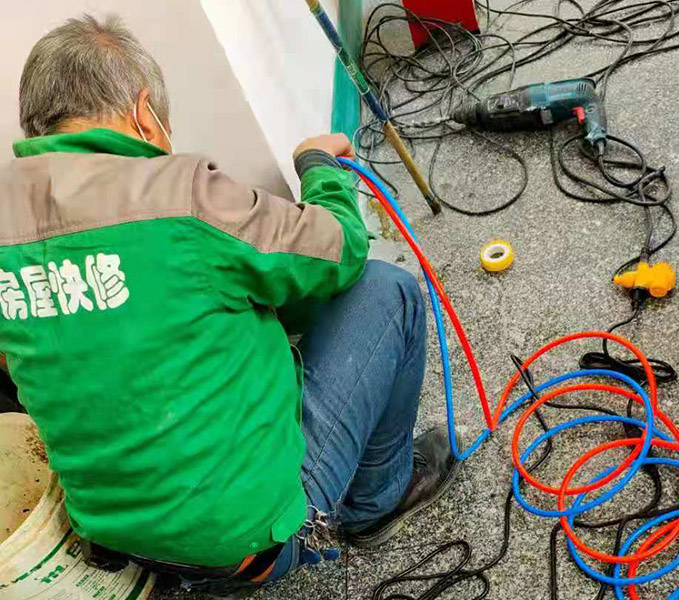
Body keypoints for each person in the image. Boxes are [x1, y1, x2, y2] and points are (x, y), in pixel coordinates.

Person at [0, 14, 461, 592]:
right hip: (250, 544)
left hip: (123, 541)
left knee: (248, 305)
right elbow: (339, 250)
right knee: (386, 291)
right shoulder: (179, 194)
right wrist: (317, 165)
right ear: (143, 113)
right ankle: (375, 502)